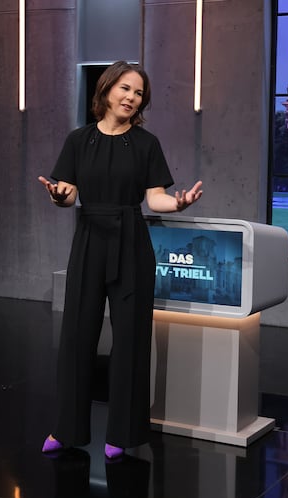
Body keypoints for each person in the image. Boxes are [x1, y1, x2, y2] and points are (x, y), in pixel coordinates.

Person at [38, 61, 203, 460]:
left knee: (130, 340)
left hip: (131, 239)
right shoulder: (79, 140)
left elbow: (155, 198)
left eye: (139, 93)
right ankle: (67, 429)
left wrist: (178, 203)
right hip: (90, 237)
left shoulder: (147, 143)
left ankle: (123, 434)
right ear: (107, 89)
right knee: (77, 337)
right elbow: (69, 194)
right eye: (125, 89)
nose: (131, 97)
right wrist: (59, 195)